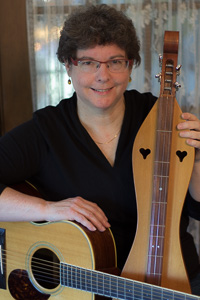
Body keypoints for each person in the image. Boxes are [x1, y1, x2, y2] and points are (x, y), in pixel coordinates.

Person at [0, 3, 200, 296]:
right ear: (69, 66)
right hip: (83, 289)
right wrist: (49, 209)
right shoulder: (45, 130)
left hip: (175, 281)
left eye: (115, 62)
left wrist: (196, 158)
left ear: (131, 65)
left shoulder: (161, 117)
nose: (102, 76)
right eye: (88, 62)